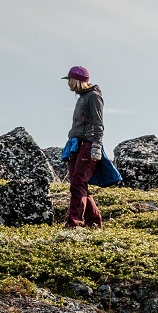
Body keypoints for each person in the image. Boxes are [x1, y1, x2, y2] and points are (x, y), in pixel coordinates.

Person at [63, 65, 105, 228]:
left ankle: (74, 223)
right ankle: (94, 222)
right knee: (78, 183)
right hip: (76, 145)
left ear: (76, 81)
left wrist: (96, 147)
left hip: (88, 144)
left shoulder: (93, 97)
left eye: (69, 80)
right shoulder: (81, 97)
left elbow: (98, 123)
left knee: (78, 182)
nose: (68, 84)